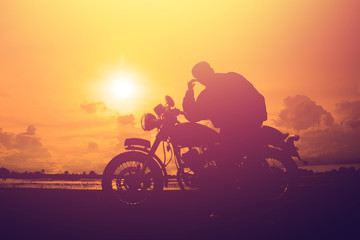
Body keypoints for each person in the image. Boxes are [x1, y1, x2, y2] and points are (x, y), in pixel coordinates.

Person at [183, 61, 267, 153]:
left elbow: (193, 115)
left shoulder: (207, 95)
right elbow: (257, 96)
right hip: (254, 122)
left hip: (234, 129)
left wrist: (190, 92)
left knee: (220, 156)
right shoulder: (233, 77)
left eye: (201, 76)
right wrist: (259, 117)